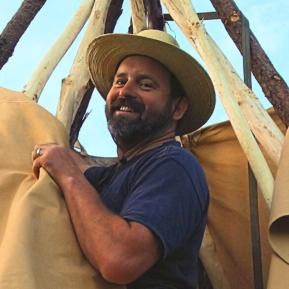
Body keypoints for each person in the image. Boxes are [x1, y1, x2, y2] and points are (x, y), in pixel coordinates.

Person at [32, 29, 215, 289]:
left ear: (178, 108)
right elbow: (78, 164)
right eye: (119, 81)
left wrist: (68, 175)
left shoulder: (174, 166)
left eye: (145, 84)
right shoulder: (114, 174)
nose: (124, 92)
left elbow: (119, 260)